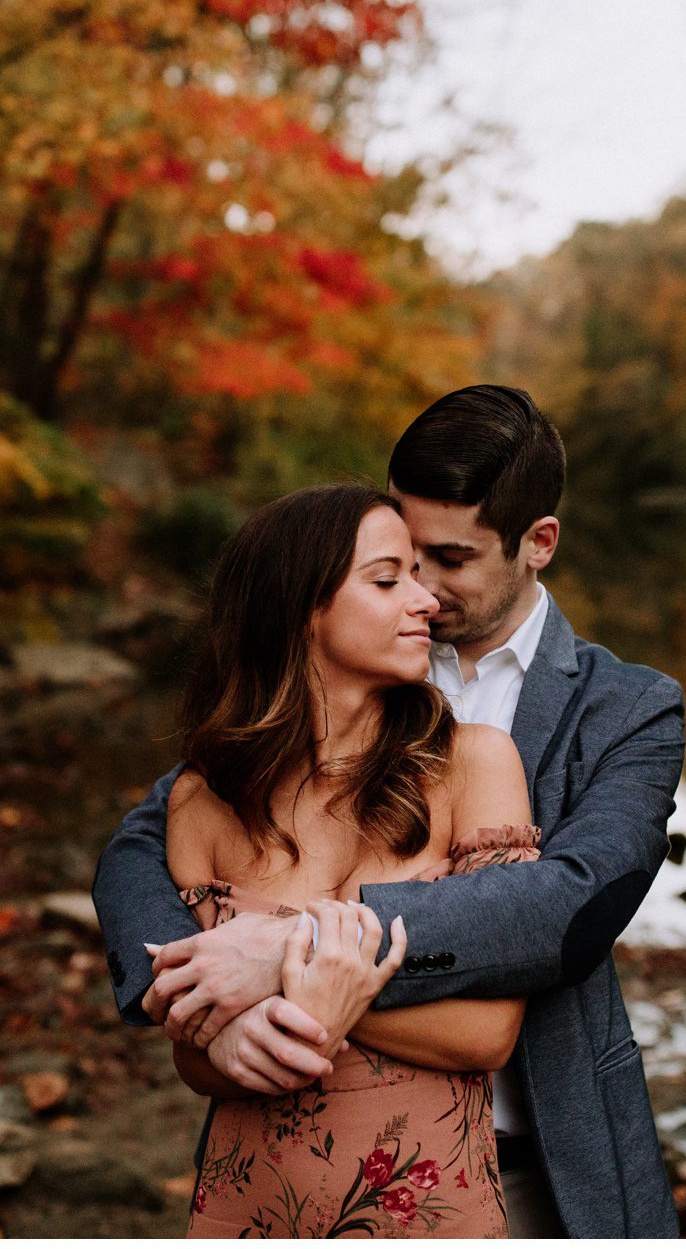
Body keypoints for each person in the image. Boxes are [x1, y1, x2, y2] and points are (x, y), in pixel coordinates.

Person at [95, 386, 686, 1237]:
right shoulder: (358, 664)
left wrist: (289, 950)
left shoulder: (630, 708)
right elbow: (140, 843)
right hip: (294, 1156)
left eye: (448, 559)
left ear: (538, 544)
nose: (426, 592)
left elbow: (570, 905)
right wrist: (187, 997)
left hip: (538, 1160)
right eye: (402, 560)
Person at [164, 481, 541, 1236]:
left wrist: (285, 975)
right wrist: (259, 1029)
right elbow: (194, 1051)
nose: (425, 599)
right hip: (253, 1206)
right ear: (302, 607)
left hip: (430, 1213)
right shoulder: (203, 802)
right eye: (387, 578)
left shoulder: (475, 765)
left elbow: (488, 1033)